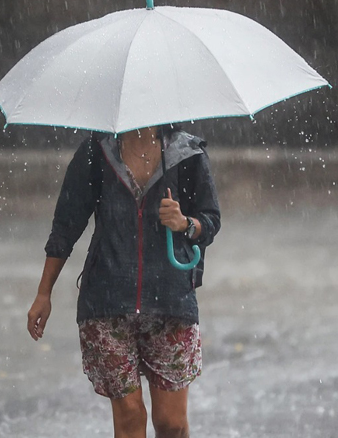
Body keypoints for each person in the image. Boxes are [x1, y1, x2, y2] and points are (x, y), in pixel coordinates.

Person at [27, 124, 221, 438]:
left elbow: (210, 220)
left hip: (171, 300)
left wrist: (186, 223)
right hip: (107, 300)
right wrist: (43, 292)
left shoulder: (188, 154)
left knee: (171, 423)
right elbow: (66, 224)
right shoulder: (96, 152)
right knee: (130, 416)